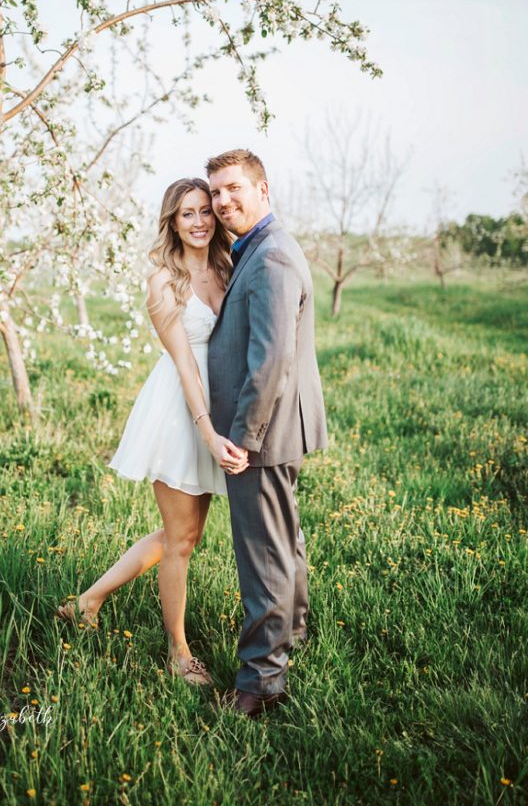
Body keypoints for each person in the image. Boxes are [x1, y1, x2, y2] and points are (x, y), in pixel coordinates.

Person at [56, 177, 248, 684]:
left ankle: (87, 601)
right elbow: (185, 361)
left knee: (183, 535)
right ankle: (179, 653)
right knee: (181, 540)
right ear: (172, 221)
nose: (201, 221)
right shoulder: (164, 280)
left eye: (206, 210)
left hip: (221, 401)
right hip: (182, 410)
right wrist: (206, 429)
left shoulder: (229, 266)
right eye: (187, 213)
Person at [206, 149, 328, 718]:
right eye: (215, 192)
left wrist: (244, 439)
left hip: (262, 432)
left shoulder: (272, 257)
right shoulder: (259, 249)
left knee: (263, 555)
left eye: (233, 188)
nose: (222, 200)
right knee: (283, 541)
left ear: (262, 189)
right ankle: (294, 632)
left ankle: (260, 681)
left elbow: (271, 361)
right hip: (275, 428)